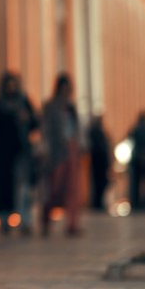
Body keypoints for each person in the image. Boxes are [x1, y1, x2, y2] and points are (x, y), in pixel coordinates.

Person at [0, 71, 39, 233]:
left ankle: (25, 220)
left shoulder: (23, 103)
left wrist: (26, 119)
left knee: (23, 188)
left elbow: (34, 123)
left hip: (21, 152)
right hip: (3, 154)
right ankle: (5, 219)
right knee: (4, 189)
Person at [41, 72, 81, 236]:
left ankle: (72, 224)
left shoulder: (71, 108)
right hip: (57, 151)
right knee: (55, 188)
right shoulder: (50, 107)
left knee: (72, 189)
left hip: (71, 149)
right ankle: (46, 219)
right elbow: (46, 130)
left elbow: (76, 129)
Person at [88, 115, 112, 211]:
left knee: (100, 183)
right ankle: (97, 203)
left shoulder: (98, 132)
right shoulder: (95, 132)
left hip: (100, 162)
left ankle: (98, 202)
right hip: (98, 162)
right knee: (98, 183)